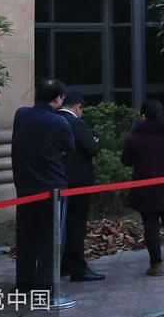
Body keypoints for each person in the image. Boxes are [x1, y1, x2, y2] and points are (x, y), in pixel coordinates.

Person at [11, 78, 75, 293]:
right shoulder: (59, 122)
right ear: (58, 99)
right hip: (52, 189)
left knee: (26, 237)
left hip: (25, 187)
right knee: (52, 239)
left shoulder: (21, 115)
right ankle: (46, 285)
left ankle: (24, 283)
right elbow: (70, 148)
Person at [121, 100, 164, 276]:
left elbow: (126, 159)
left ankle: (156, 264)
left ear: (143, 115)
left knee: (150, 226)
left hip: (145, 187)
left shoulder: (136, 136)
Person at [56, 92, 104, 282]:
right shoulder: (75, 123)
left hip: (59, 180)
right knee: (76, 225)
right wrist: (95, 142)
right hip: (78, 181)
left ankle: (63, 264)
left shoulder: (53, 120)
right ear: (77, 107)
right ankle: (78, 267)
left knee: (62, 224)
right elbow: (92, 148)